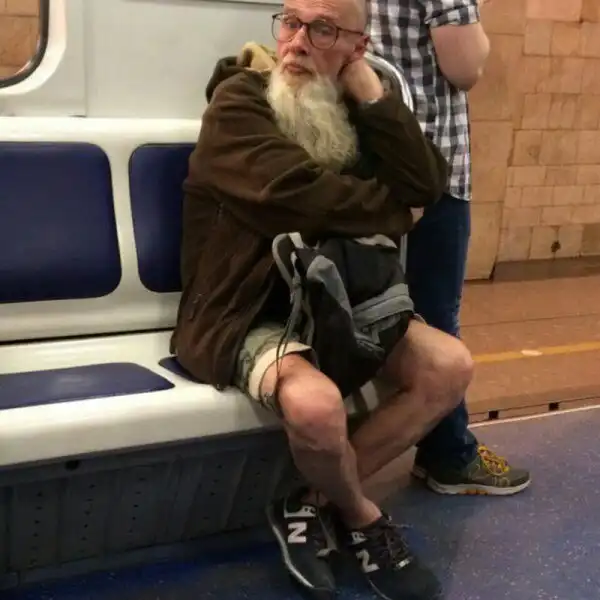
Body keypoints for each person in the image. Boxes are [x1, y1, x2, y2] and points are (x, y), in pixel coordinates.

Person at [171, 0, 474, 597]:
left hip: (337, 300)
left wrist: (371, 93)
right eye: (291, 22)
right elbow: (299, 195)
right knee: (315, 406)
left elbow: (426, 183)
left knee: (449, 368)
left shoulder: (349, 108)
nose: (298, 41)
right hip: (243, 306)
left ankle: (307, 503)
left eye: (324, 29)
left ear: (357, 47)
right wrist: (396, 214)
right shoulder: (237, 104)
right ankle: (363, 517)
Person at [367, 0, 531, 496]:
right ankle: (449, 455)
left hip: (373, 161)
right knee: (437, 318)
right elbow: (464, 66)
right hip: (431, 166)